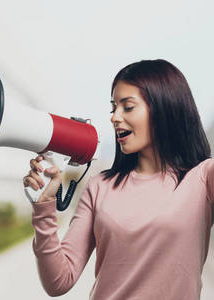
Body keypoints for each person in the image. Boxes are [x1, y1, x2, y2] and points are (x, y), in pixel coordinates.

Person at [22, 59, 213, 299]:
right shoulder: (100, 187)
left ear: (165, 108)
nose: (114, 118)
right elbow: (59, 281)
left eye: (128, 107)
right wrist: (44, 208)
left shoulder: (203, 177)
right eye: (114, 108)